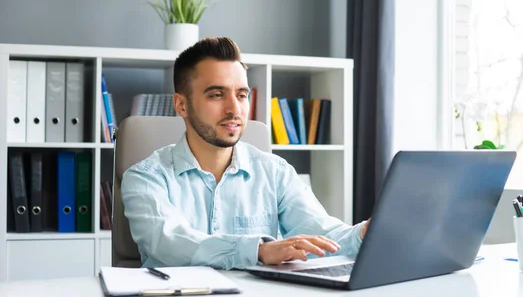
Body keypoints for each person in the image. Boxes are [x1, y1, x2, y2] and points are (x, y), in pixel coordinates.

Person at [121, 36, 370, 270]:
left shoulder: (275, 172)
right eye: (217, 95)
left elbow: (323, 236)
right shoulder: (145, 177)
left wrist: (364, 233)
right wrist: (257, 250)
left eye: (241, 95)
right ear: (181, 105)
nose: (234, 109)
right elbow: (169, 242)